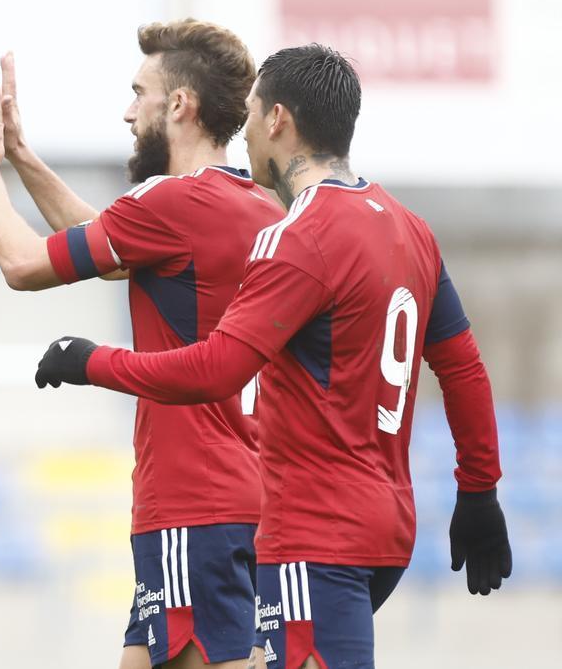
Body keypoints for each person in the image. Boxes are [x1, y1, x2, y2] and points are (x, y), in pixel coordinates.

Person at [32, 44, 511, 669]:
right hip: (385, 530)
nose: (245, 130)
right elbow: (463, 367)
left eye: (252, 114)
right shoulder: (408, 228)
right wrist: (480, 491)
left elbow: (216, 370)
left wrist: (90, 361)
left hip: (315, 536)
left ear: (278, 119)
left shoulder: (299, 237)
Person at [0, 19, 285, 669]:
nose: (128, 111)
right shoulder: (259, 207)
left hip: (194, 503)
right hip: (245, 500)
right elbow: (111, 250)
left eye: (140, 93)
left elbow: (23, 263)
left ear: (180, 106)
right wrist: (22, 155)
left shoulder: (167, 202)